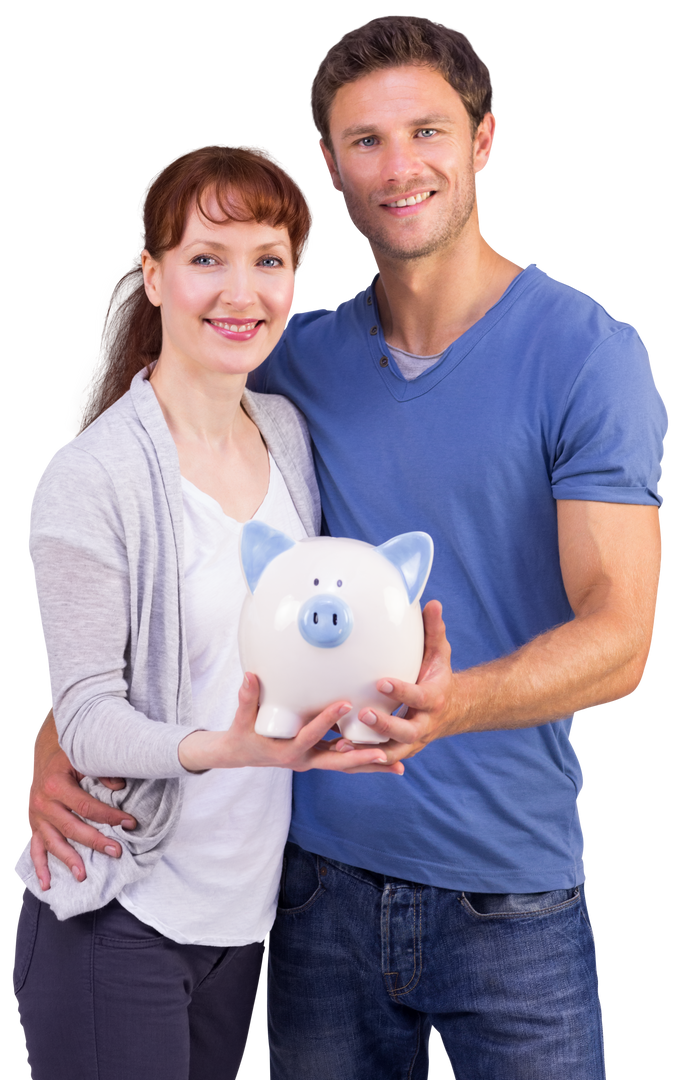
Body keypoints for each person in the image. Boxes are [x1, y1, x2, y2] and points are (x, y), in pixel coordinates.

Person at [22, 13, 668, 1080]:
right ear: (330, 164)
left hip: (512, 894)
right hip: (309, 889)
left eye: (427, 131)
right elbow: (165, 547)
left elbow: (621, 634)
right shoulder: (289, 361)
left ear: (484, 142)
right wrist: (65, 732)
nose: (399, 166)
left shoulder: (588, 354)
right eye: (365, 141)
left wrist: (452, 702)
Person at [11, 140, 405, 1080]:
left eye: (268, 260)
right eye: (205, 259)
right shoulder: (89, 480)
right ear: (150, 275)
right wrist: (224, 748)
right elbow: (90, 716)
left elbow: (298, 632)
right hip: (118, 911)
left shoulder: (285, 432)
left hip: (242, 917)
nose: (242, 292)